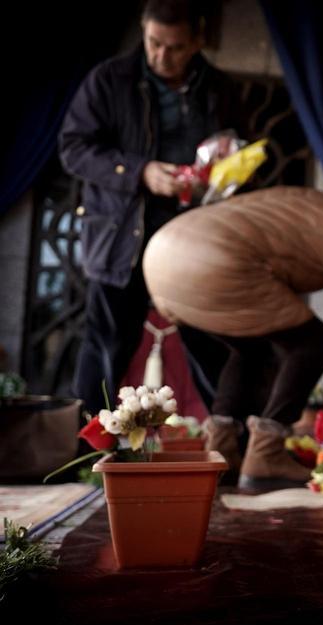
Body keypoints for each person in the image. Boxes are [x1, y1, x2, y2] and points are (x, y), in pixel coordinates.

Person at [142, 175, 323, 489]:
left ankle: (222, 450)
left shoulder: (311, 199)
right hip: (211, 261)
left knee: (252, 349)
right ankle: (266, 453)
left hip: (162, 258)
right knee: (313, 341)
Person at [60, 0, 242, 416]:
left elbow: (240, 148)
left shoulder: (220, 87)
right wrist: (139, 172)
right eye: (153, 43)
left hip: (195, 237)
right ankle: (88, 448)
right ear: (143, 30)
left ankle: (229, 443)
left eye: (175, 47)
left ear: (198, 41)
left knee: (209, 342)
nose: (162, 56)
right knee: (107, 344)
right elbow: (73, 149)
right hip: (121, 235)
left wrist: (224, 168)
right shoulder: (108, 80)